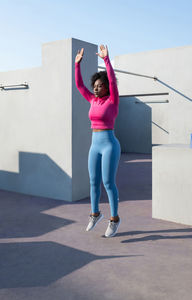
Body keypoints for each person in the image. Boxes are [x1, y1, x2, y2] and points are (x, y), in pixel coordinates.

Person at [75, 45, 121, 237]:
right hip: (95, 144)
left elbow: (111, 78)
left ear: (107, 87)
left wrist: (106, 60)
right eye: (95, 85)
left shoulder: (113, 100)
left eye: (100, 85)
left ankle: (114, 219)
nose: (95, 88)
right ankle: (95, 214)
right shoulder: (93, 100)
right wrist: (77, 65)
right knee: (93, 181)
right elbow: (79, 86)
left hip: (109, 144)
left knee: (108, 182)